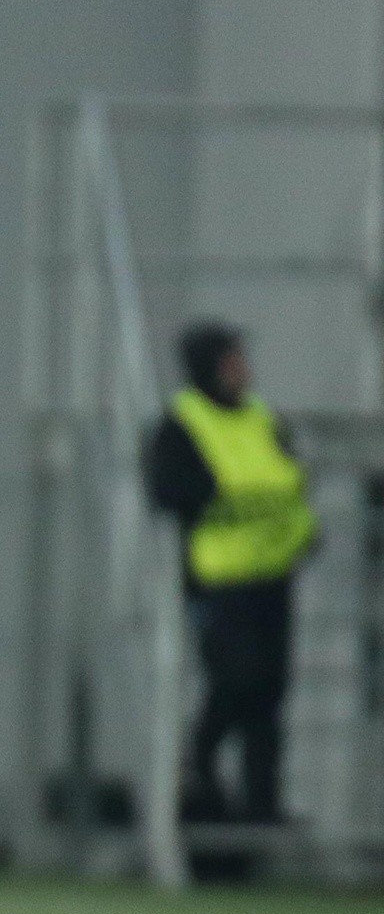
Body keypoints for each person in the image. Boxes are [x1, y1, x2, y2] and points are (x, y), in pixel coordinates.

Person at [145, 321, 315, 823]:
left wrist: (304, 533)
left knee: (270, 693)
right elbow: (168, 491)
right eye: (231, 359)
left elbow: (290, 478)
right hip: (217, 579)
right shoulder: (183, 422)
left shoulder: (263, 417)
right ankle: (198, 758)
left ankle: (262, 806)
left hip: (272, 574)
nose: (242, 369)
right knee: (238, 680)